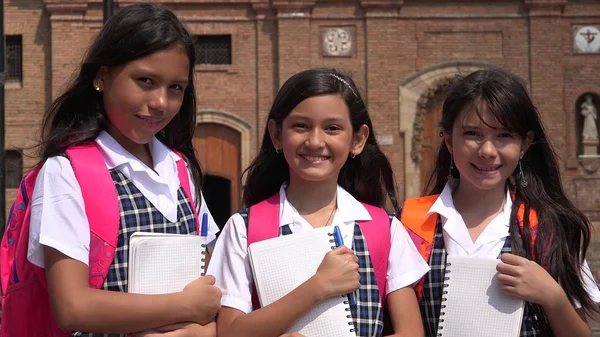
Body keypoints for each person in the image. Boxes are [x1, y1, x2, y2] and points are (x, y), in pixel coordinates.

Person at [22, 4, 221, 336]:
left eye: (176, 88)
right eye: (145, 80)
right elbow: (73, 308)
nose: (160, 102)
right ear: (102, 76)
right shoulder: (67, 172)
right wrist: (183, 306)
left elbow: (211, 274)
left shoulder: (181, 170)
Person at [208, 68, 429, 337]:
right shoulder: (243, 229)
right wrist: (318, 287)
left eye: (332, 128)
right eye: (300, 126)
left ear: (358, 140)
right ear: (277, 134)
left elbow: (411, 333)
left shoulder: (386, 229)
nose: (315, 141)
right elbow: (229, 331)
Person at [402, 68, 600, 336]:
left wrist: (553, 297)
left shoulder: (550, 229)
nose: (487, 151)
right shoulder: (409, 224)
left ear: (525, 143)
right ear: (449, 140)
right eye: (472, 134)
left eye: (504, 136)